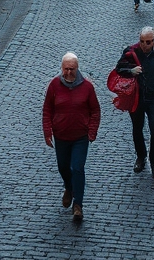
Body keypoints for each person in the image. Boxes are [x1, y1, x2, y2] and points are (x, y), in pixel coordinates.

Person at [42, 52, 101, 224]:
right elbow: (47, 110)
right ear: (62, 68)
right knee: (63, 168)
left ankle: (78, 205)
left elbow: (95, 110)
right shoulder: (54, 85)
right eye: (66, 69)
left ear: (77, 68)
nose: (69, 72)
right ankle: (69, 187)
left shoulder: (87, 87)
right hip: (61, 136)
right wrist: (47, 132)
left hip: (80, 137)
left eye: (72, 69)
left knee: (77, 168)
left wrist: (92, 131)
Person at [116, 28, 154, 179]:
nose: (145, 45)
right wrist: (131, 70)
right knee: (137, 128)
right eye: (142, 41)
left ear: (153, 41)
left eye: (148, 42)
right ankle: (140, 157)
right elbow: (119, 68)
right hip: (137, 97)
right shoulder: (131, 53)